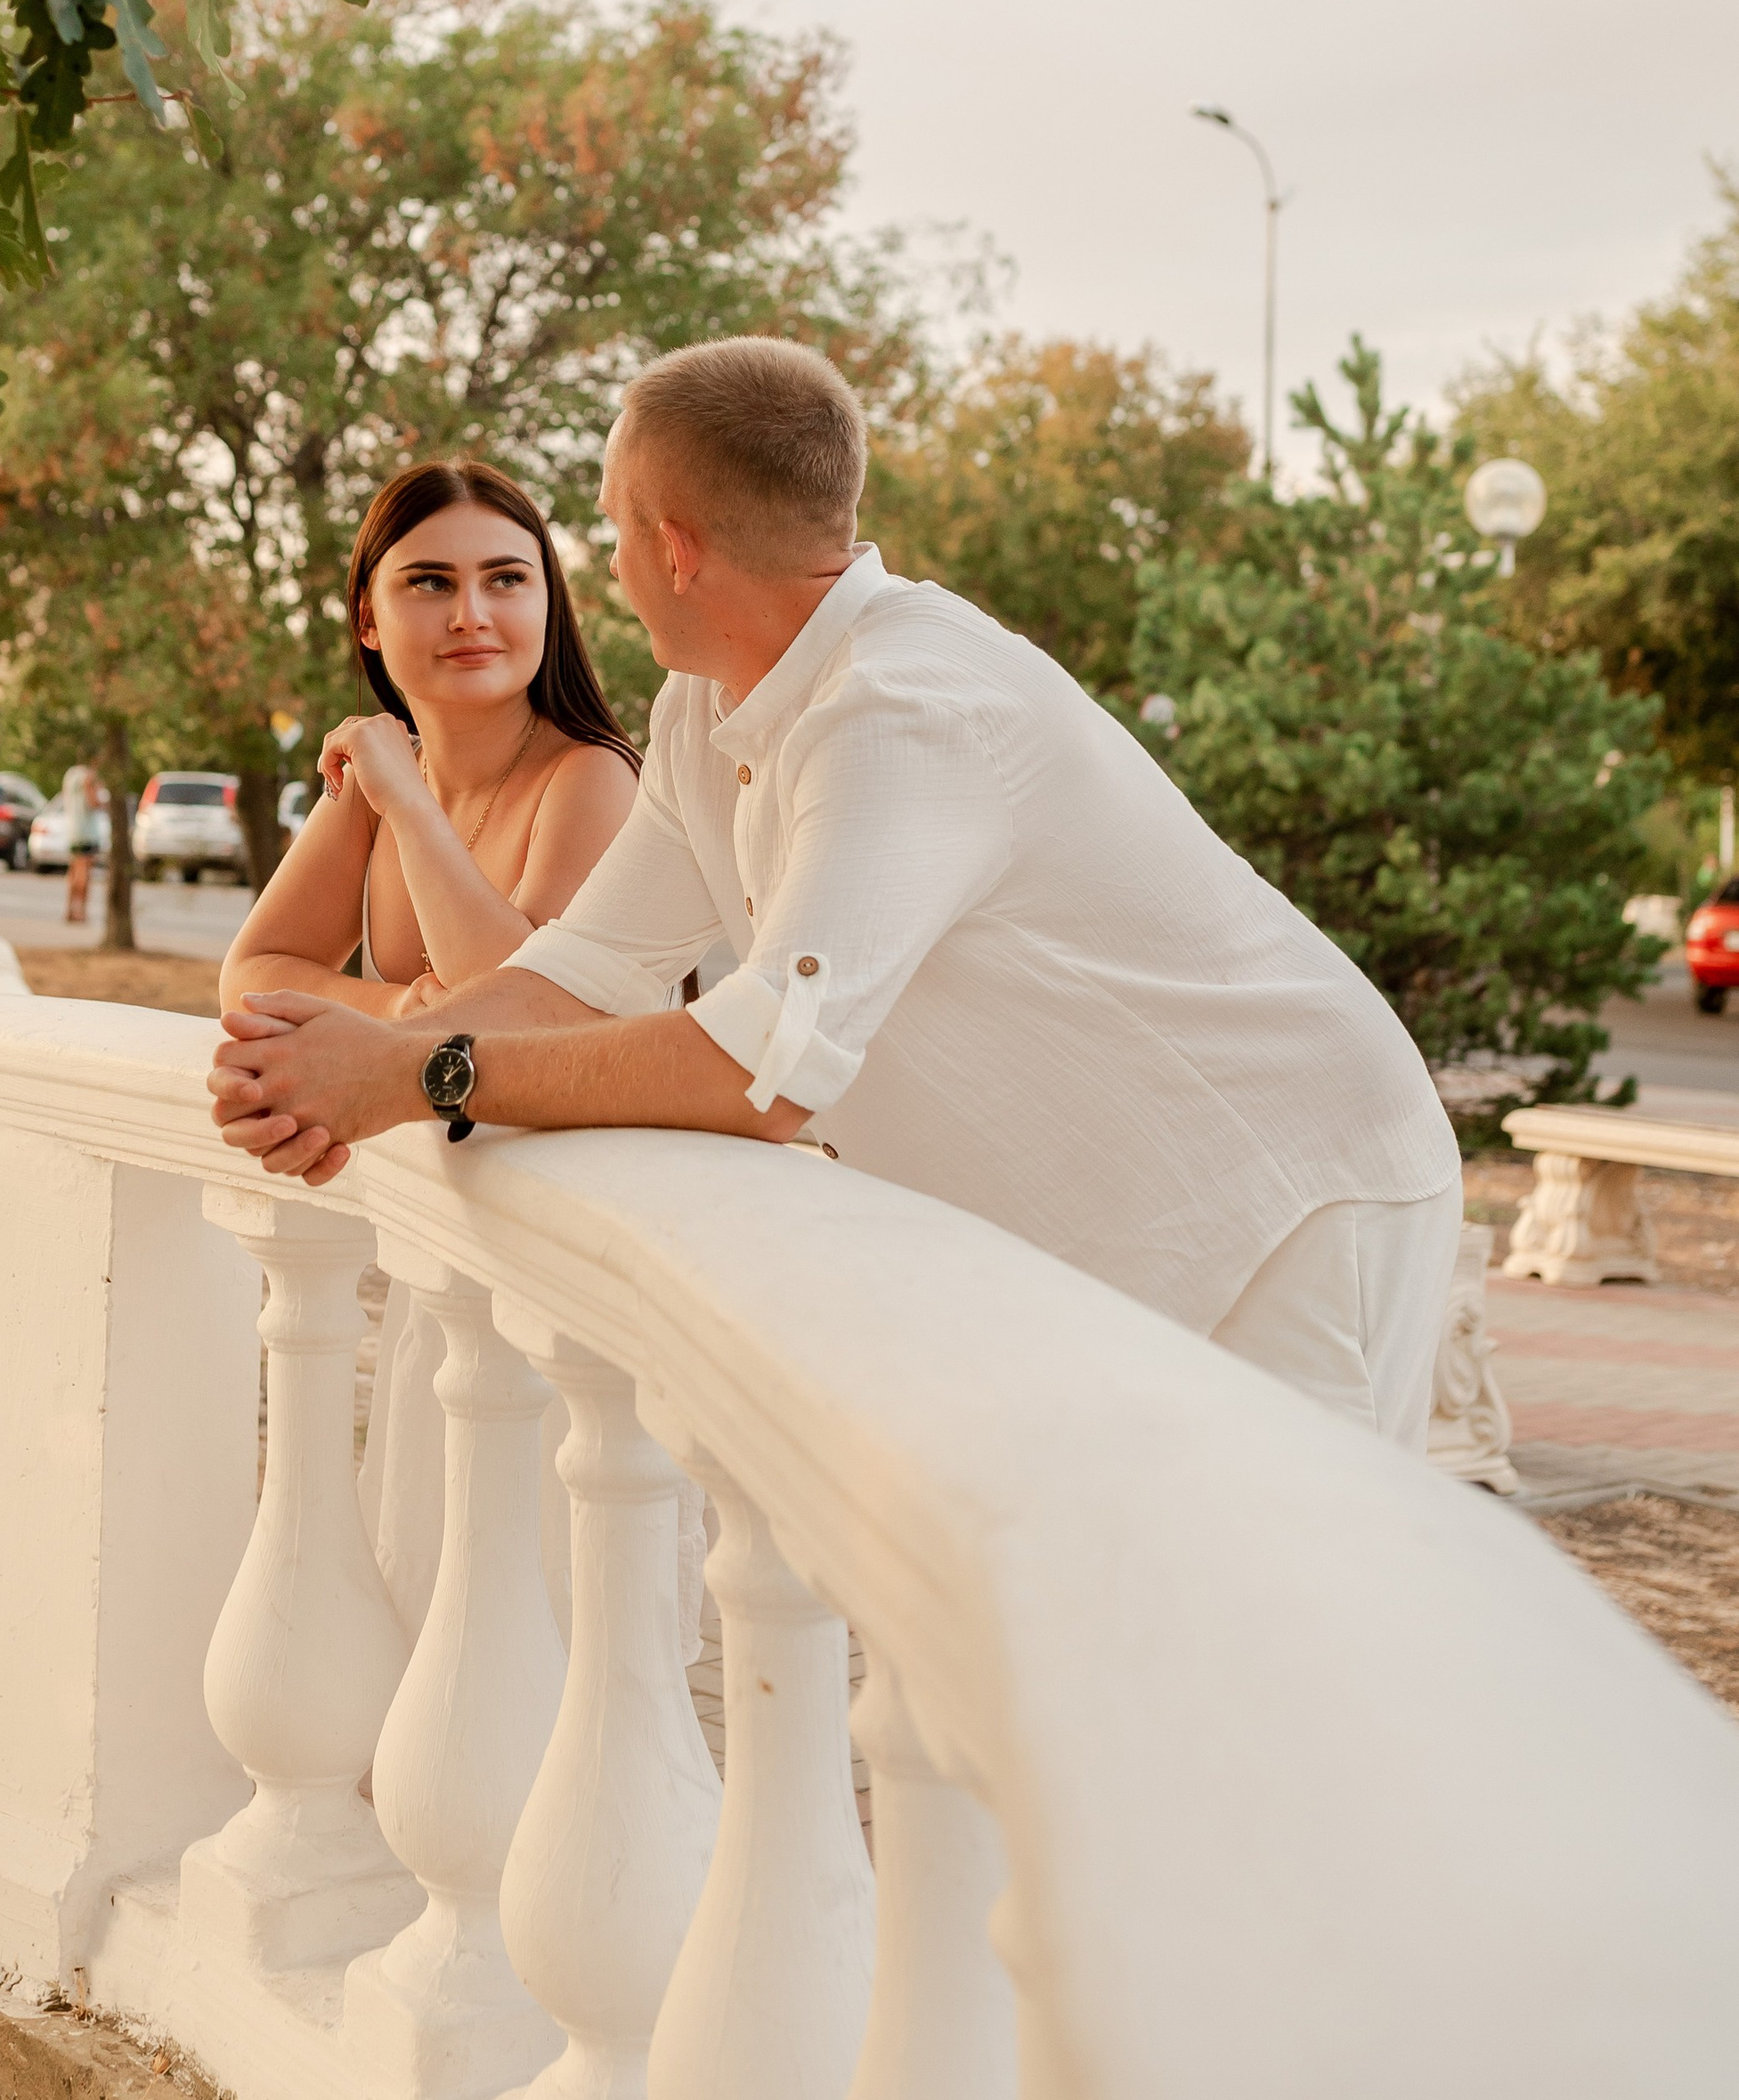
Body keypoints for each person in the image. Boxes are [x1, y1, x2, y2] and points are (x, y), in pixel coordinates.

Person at [209, 338, 1465, 1450]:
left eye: (610, 522)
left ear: (675, 548)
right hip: (1104, 1252)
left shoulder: (902, 709)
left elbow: (765, 1072)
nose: (604, 559)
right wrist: (354, 1060)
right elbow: (581, 972)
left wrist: (423, 1075)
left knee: (1287, 1670)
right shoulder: (704, 703)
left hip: (1290, 1202)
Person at [220, 458, 641, 1026]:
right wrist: (396, 1005)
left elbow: (521, 1022)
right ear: (367, 619)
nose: (470, 616)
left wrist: (408, 804)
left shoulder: (593, 776)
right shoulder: (381, 776)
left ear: (548, 603)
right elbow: (250, 978)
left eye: (507, 580)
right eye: (431, 582)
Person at [59, 762, 104, 926]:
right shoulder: (89, 776)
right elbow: (93, 802)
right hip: (87, 831)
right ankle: (82, 912)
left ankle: (69, 910)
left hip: (72, 828)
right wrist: (105, 804)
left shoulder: (70, 775)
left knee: (73, 872)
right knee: (84, 871)